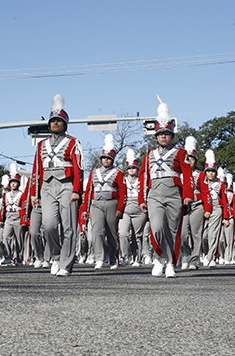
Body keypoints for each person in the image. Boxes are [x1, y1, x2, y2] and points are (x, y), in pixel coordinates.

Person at [138, 96, 193, 278]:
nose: (163, 136)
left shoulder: (180, 153)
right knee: (157, 227)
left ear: (171, 135)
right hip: (154, 194)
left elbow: (187, 175)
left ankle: (170, 263)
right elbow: (143, 178)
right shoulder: (148, 154)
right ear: (156, 136)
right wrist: (141, 199)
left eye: (166, 133)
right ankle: (159, 257)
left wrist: (187, 195)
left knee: (173, 230)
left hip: (174, 193)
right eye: (160, 133)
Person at [30, 94, 84, 277]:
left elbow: (78, 168)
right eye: (53, 120)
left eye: (59, 121)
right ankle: (55, 255)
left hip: (66, 185)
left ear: (65, 123)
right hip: (46, 186)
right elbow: (36, 170)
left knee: (68, 227)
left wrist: (77, 190)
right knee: (49, 225)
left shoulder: (73, 142)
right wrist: (33, 192)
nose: (55, 123)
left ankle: (66, 264)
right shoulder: (41, 145)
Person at [82, 134, 126, 270]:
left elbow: (123, 192)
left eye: (108, 158)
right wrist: (85, 208)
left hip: (112, 203)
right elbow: (88, 192)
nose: (106, 160)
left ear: (112, 159)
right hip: (96, 204)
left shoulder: (118, 173)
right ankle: (100, 258)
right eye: (104, 158)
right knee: (97, 232)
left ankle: (113, 259)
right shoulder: (93, 173)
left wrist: (120, 208)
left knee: (112, 233)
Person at [179, 137, 211, 271]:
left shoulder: (201, 175)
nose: (189, 161)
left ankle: (194, 260)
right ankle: (185, 257)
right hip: (182, 207)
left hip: (197, 205)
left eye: (191, 159)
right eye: (187, 158)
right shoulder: (178, 174)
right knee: (182, 235)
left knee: (196, 234)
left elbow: (206, 193)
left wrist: (207, 208)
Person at [118, 149, 149, 268]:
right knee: (123, 233)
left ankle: (137, 258)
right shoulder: (123, 179)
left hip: (139, 208)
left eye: (134, 167)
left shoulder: (142, 180)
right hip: (126, 208)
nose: (132, 170)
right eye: (130, 168)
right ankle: (125, 256)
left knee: (137, 235)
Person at [201, 150, 230, 268]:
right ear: (205, 172)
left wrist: (226, 217)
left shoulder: (220, 185)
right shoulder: (202, 183)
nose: (211, 174)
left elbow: (225, 201)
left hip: (216, 208)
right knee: (203, 236)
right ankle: (205, 253)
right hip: (203, 208)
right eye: (209, 171)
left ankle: (211, 257)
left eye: (213, 171)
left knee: (213, 234)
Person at [1, 163, 25, 266]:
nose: (13, 184)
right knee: (6, 237)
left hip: (18, 218)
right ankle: (7, 257)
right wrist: (1, 219)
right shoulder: (6, 195)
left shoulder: (21, 194)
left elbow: (24, 208)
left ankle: (19, 259)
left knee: (19, 240)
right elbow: (2, 208)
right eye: (12, 182)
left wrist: (24, 220)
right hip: (8, 219)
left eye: (15, 182)